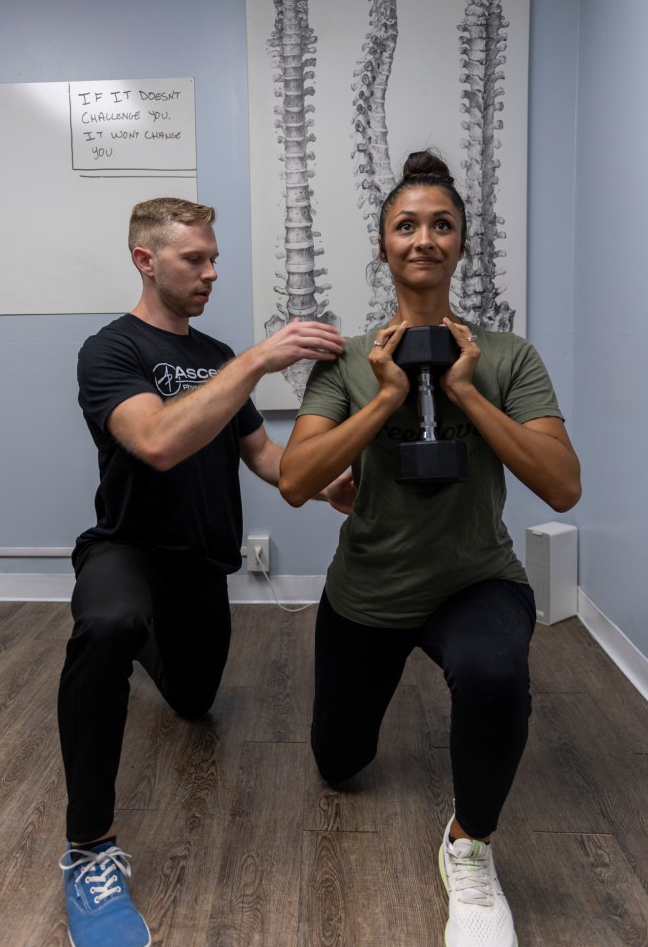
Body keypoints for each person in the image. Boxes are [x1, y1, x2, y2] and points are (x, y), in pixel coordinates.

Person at [279, 150, 581, 947]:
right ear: (383, 245)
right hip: (368, 589)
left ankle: (469, 847)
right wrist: (383, 396)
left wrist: (464, 392)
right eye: (405, 225)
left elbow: (561, 486)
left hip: (472, 579)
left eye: (440, 225)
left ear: (460, 244)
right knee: (338, 765)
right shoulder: (347, 360)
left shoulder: (506, 357)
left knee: (493, 674)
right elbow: (295, 479)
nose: (423, 239)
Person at [57, 197, 354, 947]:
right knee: (109, 621)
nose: (211, 272)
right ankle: (88, 849)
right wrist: (259, 358)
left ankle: (140, 638)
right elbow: (156, 441)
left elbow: (264, 457)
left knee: (193, 700)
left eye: (213, 257)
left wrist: (331, 487)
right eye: (195, 258)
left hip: (199, 568)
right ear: (145, 259)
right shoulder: (110, 351)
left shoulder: (217, 358)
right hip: (125, 547)